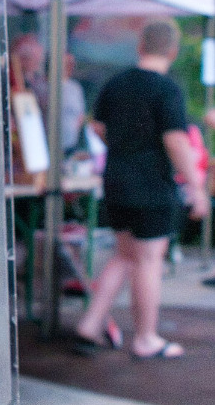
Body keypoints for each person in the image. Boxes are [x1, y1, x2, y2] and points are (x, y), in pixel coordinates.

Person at [74, 19, 209, 358]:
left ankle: (90, 323)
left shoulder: (115, 83)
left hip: (116, 181)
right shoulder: (166, 88)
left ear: (141, 47)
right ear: (173, 52)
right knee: (149, 261)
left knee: (124, 255)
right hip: (151, 185)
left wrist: (125, 147)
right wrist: (197, 187)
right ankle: (146, 339)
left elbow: (99, 126)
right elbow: (176, 140)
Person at [61, 52, 87, 157]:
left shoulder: (75, 87)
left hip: (71, 144)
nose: (70, 66)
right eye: (67, 63)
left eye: (72, 63)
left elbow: (81, 114)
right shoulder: (46, 86)